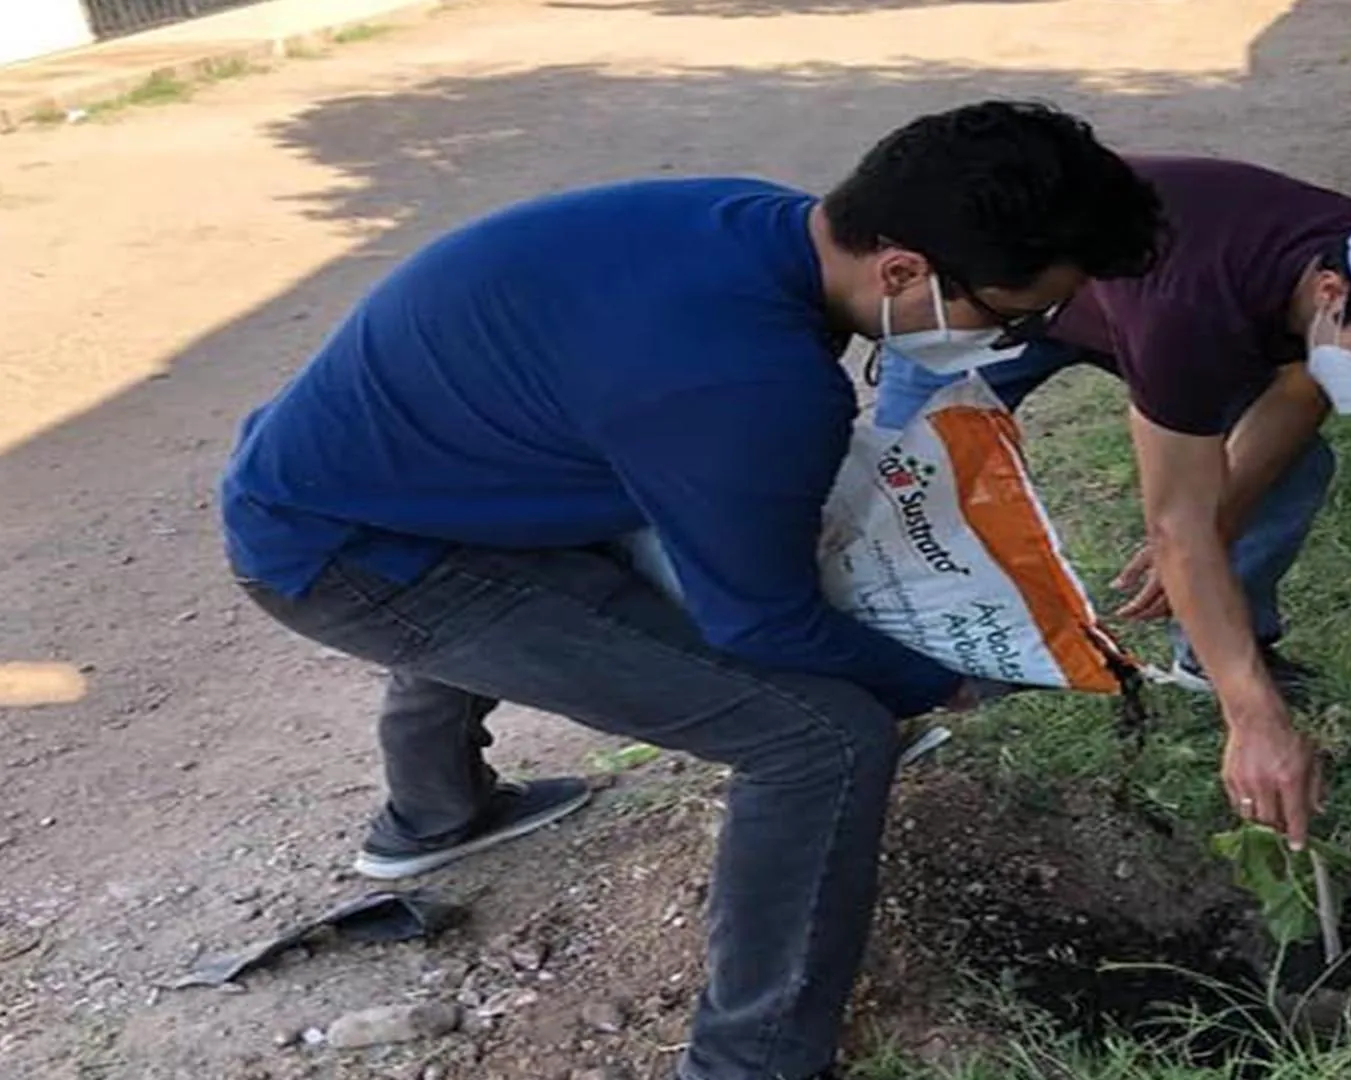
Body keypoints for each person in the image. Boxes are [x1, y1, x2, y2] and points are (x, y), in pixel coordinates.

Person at [218, 100, 1164, 1080]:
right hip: (348, 553)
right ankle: (751, 1061)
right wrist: (936, 680)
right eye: (1008, 317)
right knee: (819, 737)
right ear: (901, 271)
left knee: (605, 571)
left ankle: (433, 813)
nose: (1019, 340)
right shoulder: (750, 382)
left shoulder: (757, 220)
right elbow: (759, 621)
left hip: (385, 474)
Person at [872, 155, 1351, 851]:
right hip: (981, 300)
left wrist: (1213, 540)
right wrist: (1253, 717)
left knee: (1288, 467)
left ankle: (1215, 656)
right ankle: (889, 700)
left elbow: (1298, 390)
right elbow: (1177, 520)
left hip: (1122, 301)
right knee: (905, 504)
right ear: (1329, 290)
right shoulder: (1189, 310)